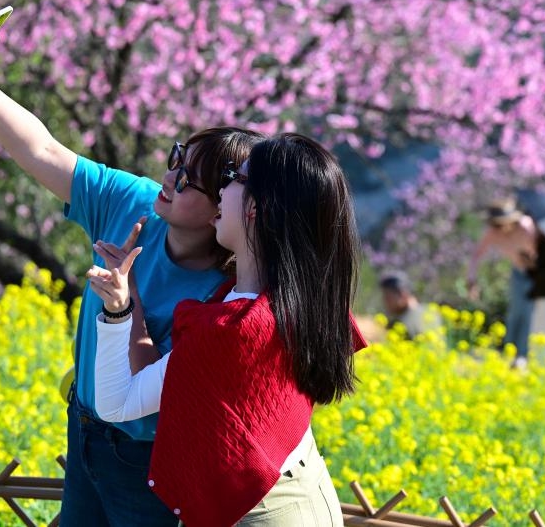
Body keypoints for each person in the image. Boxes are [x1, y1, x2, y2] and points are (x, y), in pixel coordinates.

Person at [0, 31, 265, 526]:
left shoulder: (228, 288)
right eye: (176, 159)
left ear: (222, 205)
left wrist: (126, 302)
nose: (169, 177)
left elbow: (148, 379)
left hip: (151, 460)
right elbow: (44, 152)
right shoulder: (132, 202)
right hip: (85, 427)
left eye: (186, 179)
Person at [88, 133, 367, 527]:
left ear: (258, 207)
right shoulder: (302, 304)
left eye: (235, 177)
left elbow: (118, 403)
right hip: (307, 498)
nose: (222, 190)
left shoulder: (233, 329)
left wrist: (118, 311)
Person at [467, 198, 537, 364]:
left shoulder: (526, 226)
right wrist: (471, 280)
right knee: (515, 313)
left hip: (536, 273)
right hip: (519, 273)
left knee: (528, 314)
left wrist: (532, 260)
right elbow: (476, 256)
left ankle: (522, 356)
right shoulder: (492, 233)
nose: (500, 228)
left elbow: (542, 249)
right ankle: (509, 352)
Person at [378, 271, 434, 339]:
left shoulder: (402, 323)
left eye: (387, 297)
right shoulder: (431, 312)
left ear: (402, 294)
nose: (385, 302)